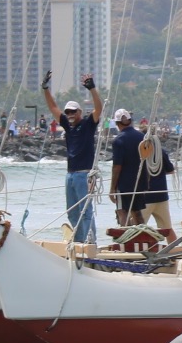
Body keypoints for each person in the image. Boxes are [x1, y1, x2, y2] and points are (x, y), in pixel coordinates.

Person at [41, 70, 102, 246]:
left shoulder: (88, 125)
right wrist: (45, 88)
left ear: (80, 112)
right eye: (68, 112)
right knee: (72, 213)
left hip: (84, 175)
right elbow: (53, 108)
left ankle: (91, 242)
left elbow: (99, 108)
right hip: (70, 175)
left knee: (86, 211)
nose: (70, 114)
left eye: (73, 112)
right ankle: (79, 241)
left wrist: (92, 89)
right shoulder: (68, 126)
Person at [131, 119, 176, 240]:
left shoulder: (140, 153)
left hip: (146, 197)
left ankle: (133, 250)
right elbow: (171, 170)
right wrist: (159, 171)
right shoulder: (161, 153)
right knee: (167, 228)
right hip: (161, 195)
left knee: (136, 228)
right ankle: (174, 249)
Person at [108, 107, 144, 229]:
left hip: (124, 184)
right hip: (139, 181)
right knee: (137, 211)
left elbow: (117, 166)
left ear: (117, 124)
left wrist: (112, 188)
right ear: (130, 120)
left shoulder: (118, 140)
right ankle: (144, 237)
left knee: (122, 211)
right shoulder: (142, 137)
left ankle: (126, 239)